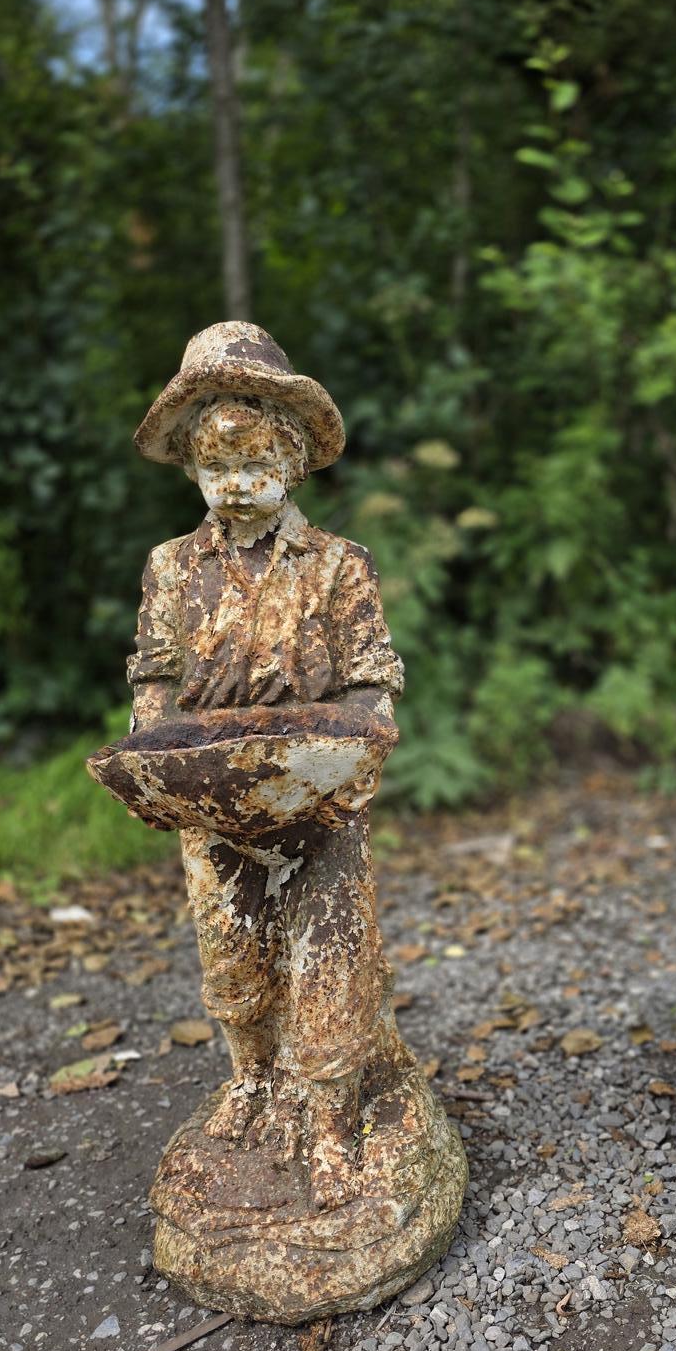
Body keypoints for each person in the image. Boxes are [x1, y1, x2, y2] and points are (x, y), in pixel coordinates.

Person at [127, 321, 409, 1211]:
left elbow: (372, 681)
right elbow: (154, 680)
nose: (235, 488)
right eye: (216, 472)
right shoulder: (174, 568)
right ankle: (250, 1078)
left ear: (290, 461)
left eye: (254, 468)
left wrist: (357, 747)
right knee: (233, 951)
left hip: (317, 794)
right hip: (215, 796)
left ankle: (329, 1114)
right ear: (192, 474)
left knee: (329, 953)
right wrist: (152, 757)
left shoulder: (336, 566)